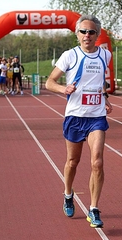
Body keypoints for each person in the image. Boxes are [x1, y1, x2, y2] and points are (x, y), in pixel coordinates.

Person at [45, 14, 113, 228]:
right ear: (77, 34)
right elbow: (49, 82)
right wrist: (63, 89)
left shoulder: (106, 56)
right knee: (73, 162)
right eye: (83, 31)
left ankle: (93, 209)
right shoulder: (70, 56)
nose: (87, 35)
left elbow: (100, 82)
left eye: (91, 32)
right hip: (75, 117)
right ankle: (67, 193)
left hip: (96, 117)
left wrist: (105, 99)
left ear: (97, 34)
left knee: (97, 162)